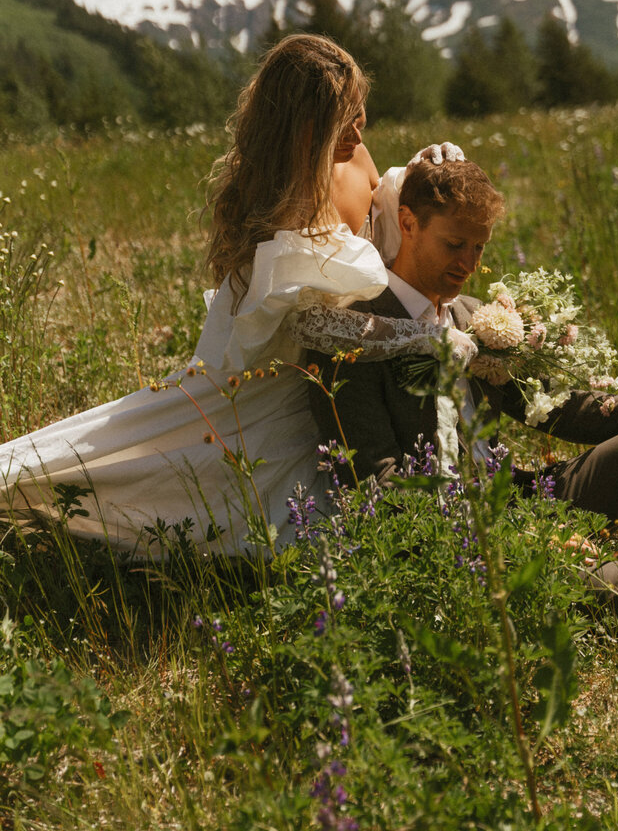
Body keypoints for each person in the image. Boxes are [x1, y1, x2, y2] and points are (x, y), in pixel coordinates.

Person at [308, 158, 618, 655]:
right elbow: (379, 480)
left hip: (524, 495)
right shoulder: (357, 336)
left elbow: (560, 408)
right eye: (454, 244)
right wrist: (519, 542)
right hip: (456, 539)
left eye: (479, 247)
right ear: (409, 223)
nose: (468, 263)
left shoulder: (472, 315)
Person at [0, 35, 467, 556]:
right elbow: (309, 325)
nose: (359, 131)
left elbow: (384, 210)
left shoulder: (352, 153)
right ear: (304, 127)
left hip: (342, 372)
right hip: (272, 375)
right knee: (143, 462)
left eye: (361, 113)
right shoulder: (283, 197)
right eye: (346, 119)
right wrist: (415, 335)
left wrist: (426, 171)